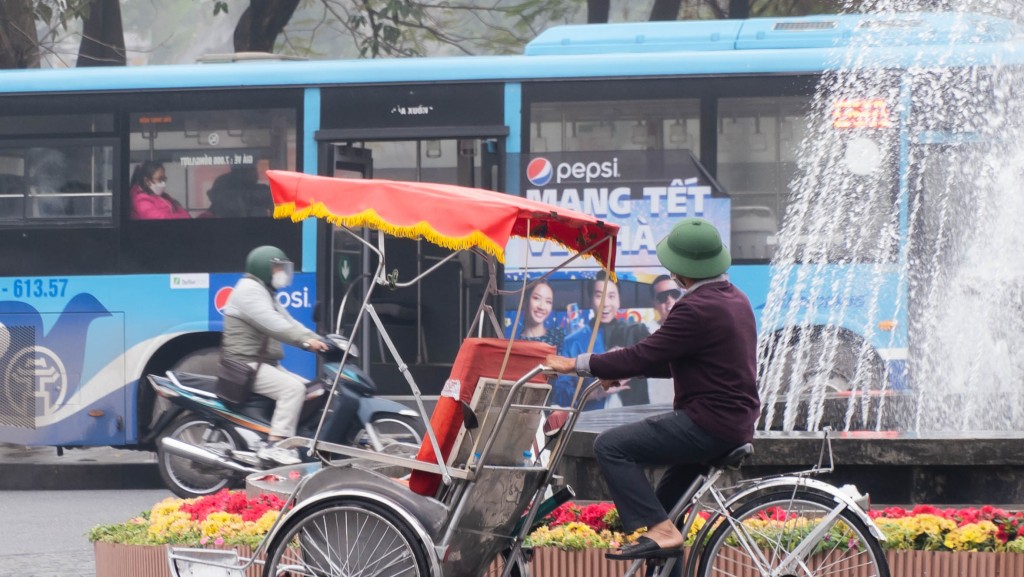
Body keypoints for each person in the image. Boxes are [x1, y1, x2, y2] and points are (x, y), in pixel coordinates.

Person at [545, 217, 760, 561]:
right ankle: (663, 534)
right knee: (663, 514)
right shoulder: (734, 299)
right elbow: (673, 360)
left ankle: (661, 531)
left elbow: (644, 354)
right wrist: (620, 370)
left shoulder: (694, 308)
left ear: (680, 270)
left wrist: (576, 364)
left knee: (611, 447)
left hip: (709, 425)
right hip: (731, 422)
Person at [221, 245, 329, 465]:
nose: (282, 273)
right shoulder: (248, 290)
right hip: (245, 364)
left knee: (312, 391)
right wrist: (306, 342)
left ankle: (292, 440)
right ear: (264, 268)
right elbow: (275, 325)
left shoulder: (265, 291)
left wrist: (320, 339)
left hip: (262, 363)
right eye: (278, 268)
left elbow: (288, 320)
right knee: (293, 389)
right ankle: (275, 445)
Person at [552, 271, 650, 409]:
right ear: (590, 299)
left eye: (611, 296)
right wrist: (596, 392)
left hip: (633, 420)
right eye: (599, 296)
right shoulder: (573, 341)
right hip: (590, 421)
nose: (605, 303)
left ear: (619, 300)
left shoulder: (636, 332)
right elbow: (560, 395)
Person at [645, 274, 683, 405]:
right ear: (654, 303)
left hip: (689, 412)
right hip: (653, 410)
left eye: (674, 294)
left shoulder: (696, 330)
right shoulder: (644, 332)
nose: (669, 300)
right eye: (662, 297)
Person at [506, 280, 566, 349]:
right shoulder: (514, 344)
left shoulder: (560, 337)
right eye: (536, 298)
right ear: (524, 301)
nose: (542, 307)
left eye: (548, 302)